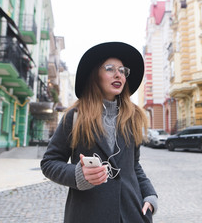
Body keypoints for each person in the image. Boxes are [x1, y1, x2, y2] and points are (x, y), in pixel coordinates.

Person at [41, 42, 158, 223]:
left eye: (122, 70)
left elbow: (133, 166)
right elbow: (49, 162)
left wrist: (149, 195)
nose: (118, 74)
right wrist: (78, 175)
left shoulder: (132, 117)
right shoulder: (76, 116)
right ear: (96, 75)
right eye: (110, 69)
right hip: (89, 214)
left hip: (132, 213)